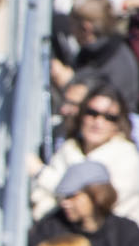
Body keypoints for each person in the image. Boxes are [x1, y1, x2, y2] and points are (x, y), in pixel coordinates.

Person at [36, 81, 139, 220]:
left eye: (109, 117)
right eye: (92, 113)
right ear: (81, 115)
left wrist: (42, 174)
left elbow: (99, 203)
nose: (98, 122)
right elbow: (40, 198)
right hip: (65, 235)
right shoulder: (68, 149)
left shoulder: (127, 156)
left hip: (112, 237)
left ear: (119, 124)